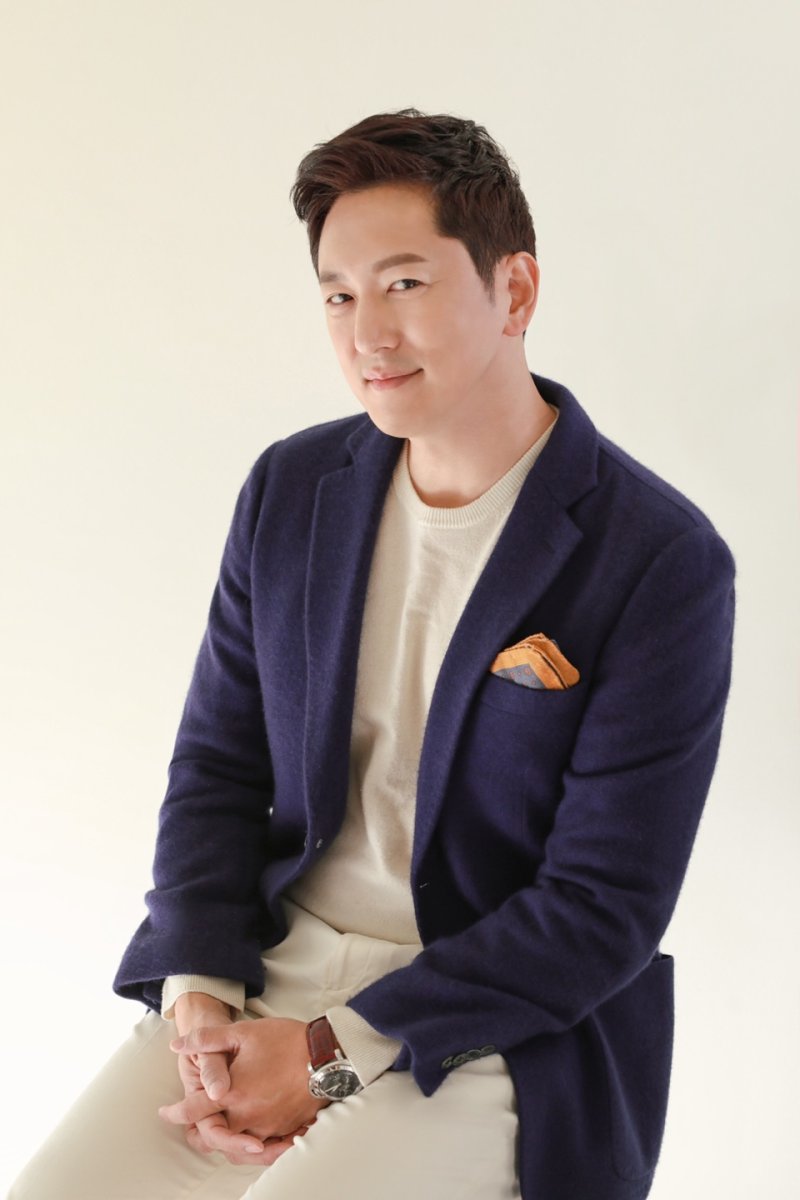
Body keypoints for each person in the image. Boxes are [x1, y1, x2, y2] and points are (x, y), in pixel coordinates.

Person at [9, 109, 735, 1200]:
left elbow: (601, 909)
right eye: (339, 296)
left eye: (405, 284)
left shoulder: (658, 560)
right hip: (271, 966)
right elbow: (218, 766)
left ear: (515, 292)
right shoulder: (292, 490)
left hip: (482, 1023)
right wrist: (198, 994)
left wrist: (327, 1058)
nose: (368, 335)